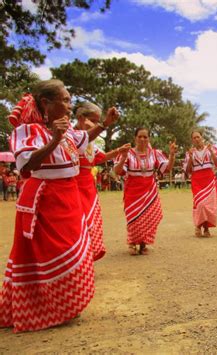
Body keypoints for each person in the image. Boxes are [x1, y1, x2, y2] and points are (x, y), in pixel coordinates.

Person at [0, 79, 119, 333]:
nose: (69, 105)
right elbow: (26, 165)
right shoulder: (28, 131)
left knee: (73, 251)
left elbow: (84, 138)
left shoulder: (64, 131)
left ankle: (64, 306)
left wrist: (105, 125)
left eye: (69, 99)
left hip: (67, 198)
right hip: (45, 201)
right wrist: (54, 139)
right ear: (46, 103)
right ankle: (43, 309)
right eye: (64, 100)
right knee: (48, 254)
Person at [74, 102, 130, 261]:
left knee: (91, 223)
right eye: (93, 120)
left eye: (97, 121)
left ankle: (85, 260)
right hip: (72, 186)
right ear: (80, 118)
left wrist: (119, 151)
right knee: (77, 225)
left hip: (88, 188)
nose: (95, 124)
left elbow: (102, 157)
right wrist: (104, 124)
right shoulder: (69, 135)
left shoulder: (90, 142)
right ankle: (77, 261)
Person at [114, 127, 176, 255]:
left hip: (149, 190)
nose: (142, 139)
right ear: (135, 138)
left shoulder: (155, 153)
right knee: (134, 218)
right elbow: (118, 171)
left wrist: (172, 155)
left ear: (149, 139)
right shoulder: (127, 153)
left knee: (151, 216)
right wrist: (123, 157)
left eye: (145, 137)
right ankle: (132, 243)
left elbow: (167, 168)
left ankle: (143, 244)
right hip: (133, 190)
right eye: (139, 137)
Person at [184, 131, 217, 238]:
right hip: (197, 180)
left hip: (209, 180)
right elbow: (188, 170)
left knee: (209, 205)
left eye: (198, 137)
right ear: (192, 140)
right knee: (200, 204)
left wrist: (211, 152)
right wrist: (191, 158)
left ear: (202, 138)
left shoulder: (211, 149)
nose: (197, 139)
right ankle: (198, 225)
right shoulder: (190, 153)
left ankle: (206, 228)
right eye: (194, 138)